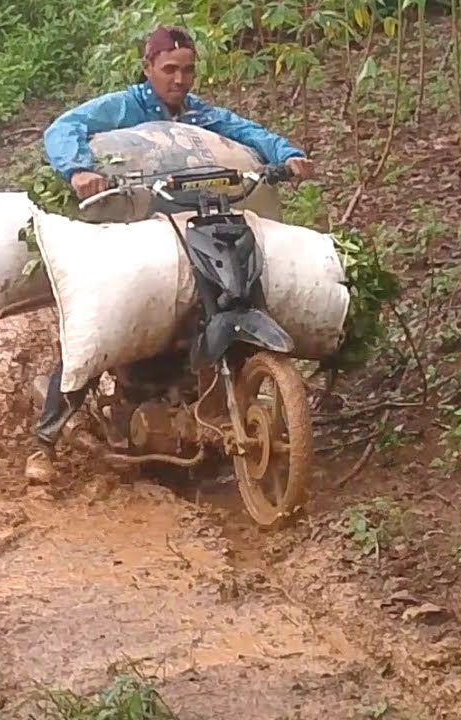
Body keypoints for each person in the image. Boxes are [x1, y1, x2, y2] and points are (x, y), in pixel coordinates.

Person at [26, 24, 316, 480]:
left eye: (188, 70)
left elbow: (246, 131)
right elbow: (67, 127)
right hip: (138, 230)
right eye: (169, 70)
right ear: (148, 69)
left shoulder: (200, 114)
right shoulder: (125, 106)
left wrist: (288, 155)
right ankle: (45, 440)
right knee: (102, 321)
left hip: (198, 228)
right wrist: (79, 169)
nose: (179, 80)